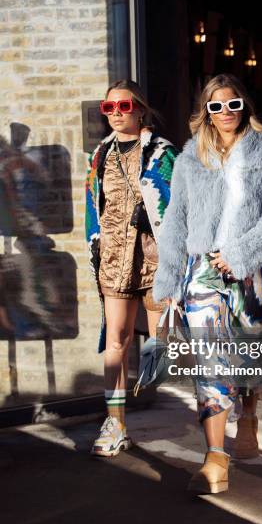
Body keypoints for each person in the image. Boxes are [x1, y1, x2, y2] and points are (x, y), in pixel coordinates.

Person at [153, 73, 262, 494]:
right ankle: (216, 457)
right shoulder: (188, 159)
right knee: (209, 359)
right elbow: (174, 222)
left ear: (244, 106)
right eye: (216, 106)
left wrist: (239, 255)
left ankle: (248, 414)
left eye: (233, 104)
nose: (226, 113)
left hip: (247, 270)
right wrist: (169, 279)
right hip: (201, 272)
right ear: (206, 112)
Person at [86, 79, 179, 456]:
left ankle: (210, 415)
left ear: (140, 108)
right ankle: (116, 424)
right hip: (114, 258)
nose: (115, 114)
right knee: (115, 342)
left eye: (123, 107)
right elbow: (93, 208)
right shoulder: (100, 154)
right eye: (109, 108)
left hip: (155, 259)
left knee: (161, 345)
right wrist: (96, 247)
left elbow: (180, 207)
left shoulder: (162, 152)